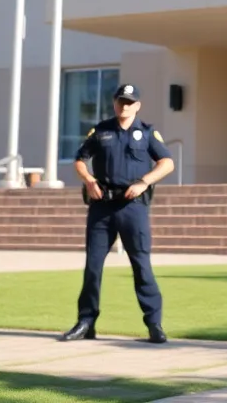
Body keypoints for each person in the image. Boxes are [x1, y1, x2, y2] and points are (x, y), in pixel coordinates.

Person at [61, 83, 176, 344]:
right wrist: (89, 181)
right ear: (114, 103)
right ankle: (86, 322)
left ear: (137, 106)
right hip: (102, 205)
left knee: (141, 266)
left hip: (132, 207)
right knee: (93, 267)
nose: (124, 106)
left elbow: (167, 162)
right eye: (120, 101)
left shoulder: (147, 133)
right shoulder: (101, 130)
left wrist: (144, 181)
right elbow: (80, 159)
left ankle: (154, 324)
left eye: (129, 102)